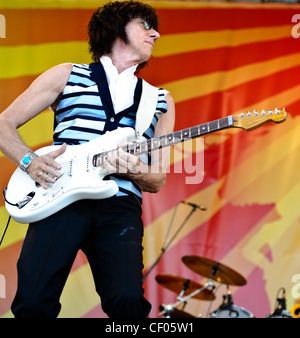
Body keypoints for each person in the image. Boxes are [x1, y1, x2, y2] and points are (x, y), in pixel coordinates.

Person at [0, 1, 175, 318]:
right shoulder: (67, 75)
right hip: (57, 197)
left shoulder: (159, 99)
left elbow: (158, 178)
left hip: (119, 207)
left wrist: (136, 170)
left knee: (127, 304)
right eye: (146, 25)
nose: (156, 33)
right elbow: (3, 124)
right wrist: (29, 161)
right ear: (116, 27)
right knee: (33, 303)